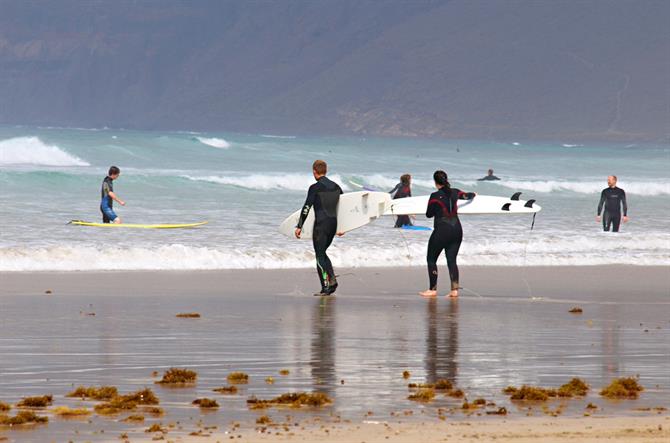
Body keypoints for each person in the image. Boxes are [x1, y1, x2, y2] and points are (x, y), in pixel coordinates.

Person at [419, 170, 475, 298]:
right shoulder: (455, 192)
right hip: (457, 229)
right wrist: (474, 194)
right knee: (452, 260)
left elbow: (428, 214)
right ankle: (454, 290)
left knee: (431, 259)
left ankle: (432, 289)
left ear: (435, 182)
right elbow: (467, 195)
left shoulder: (434, 196)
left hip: (442, 230)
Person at [295, 160, 343, 296]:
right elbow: (344, 206)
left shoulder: (314, 187)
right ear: (325, 170)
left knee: (319, 255)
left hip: (321, 226)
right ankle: (332, 280)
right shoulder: (336, 186)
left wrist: (299, 226)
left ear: (314, 171)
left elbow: (306, 207)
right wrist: (343, 227)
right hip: (333, 225)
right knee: (322, 252)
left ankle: (326, 287)